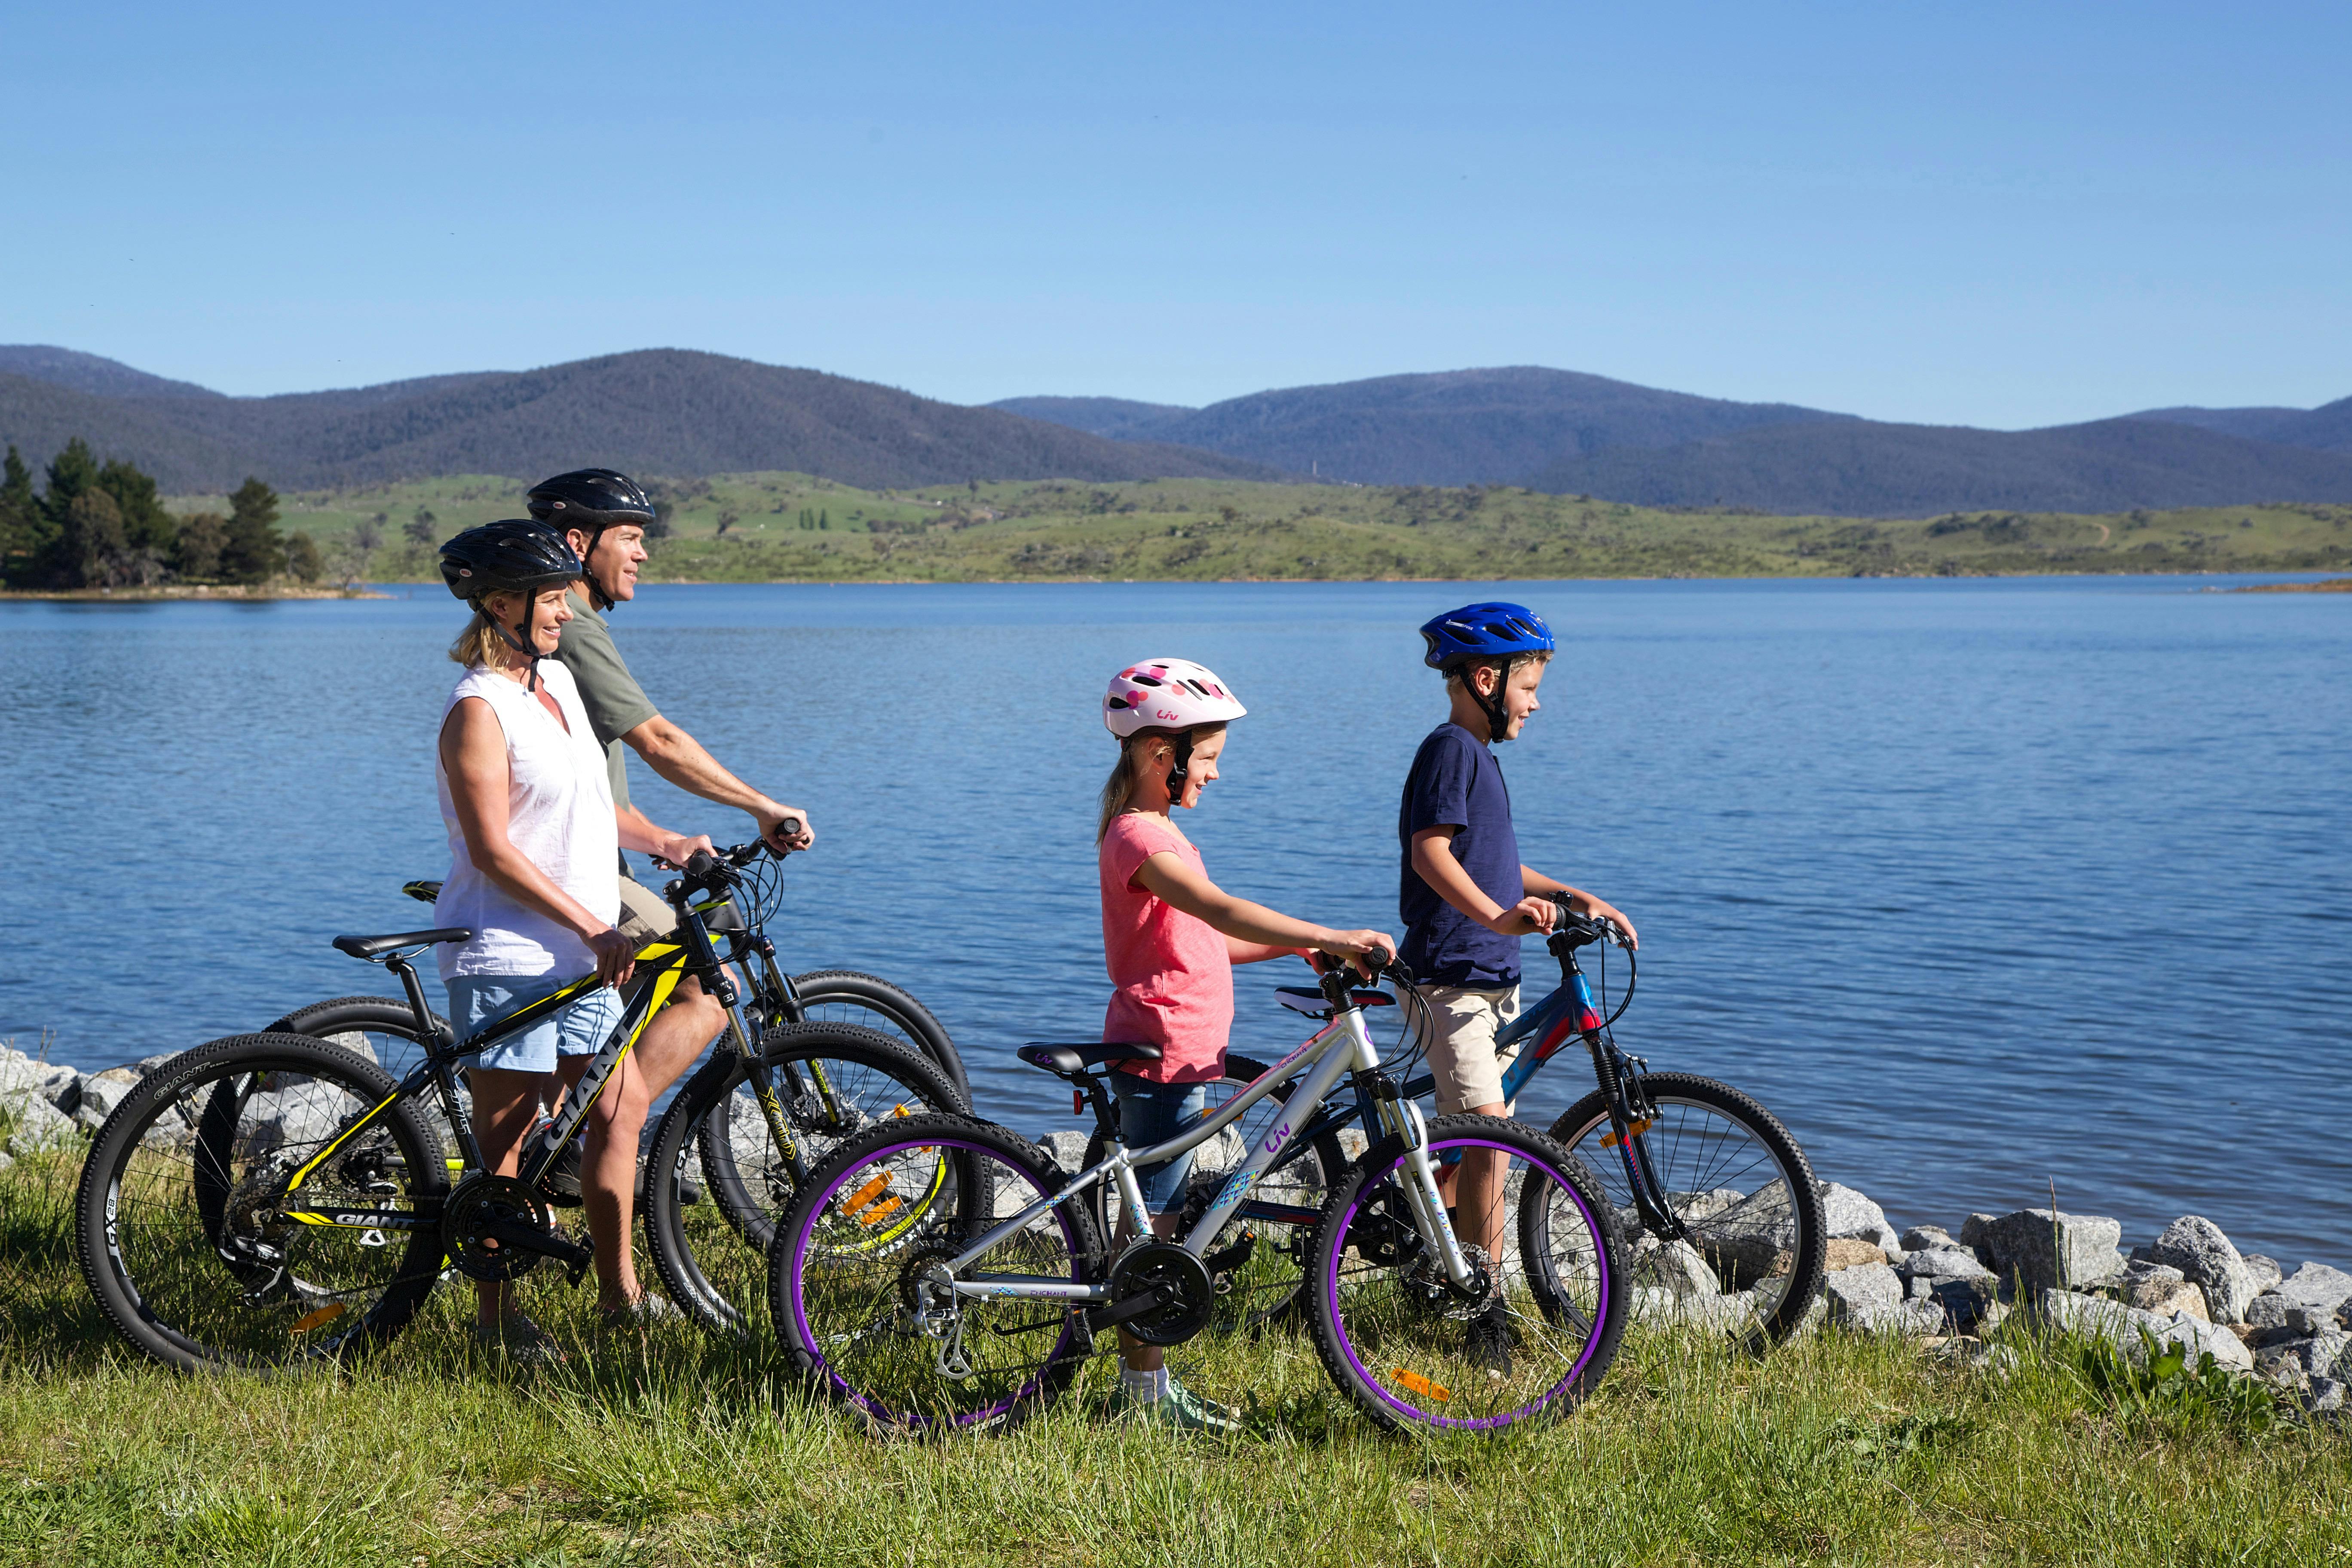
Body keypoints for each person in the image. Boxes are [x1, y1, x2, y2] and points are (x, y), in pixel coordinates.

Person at [432, 521, 716, 1353]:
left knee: (602, 1116)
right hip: (511, 954)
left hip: (586, 960)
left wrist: (668, 842)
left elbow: (596, 809)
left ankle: (618, 1298)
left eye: (564, 595)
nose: (563, 613)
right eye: (550, 599)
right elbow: (492, 849)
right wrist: (595, 924)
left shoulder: (553, 684)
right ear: (500, 604)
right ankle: (494, 1323)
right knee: (507, 1156)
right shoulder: (479, 708)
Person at [1096, 658, 1396, 1430]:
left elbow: (1207, 941)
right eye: (1210, 760)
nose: (1216, 777)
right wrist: (1325, 932)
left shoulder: (1162, 833)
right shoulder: (1139, 838)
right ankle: (1142, 1399)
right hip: (1160, 1051)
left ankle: (1150, 1390)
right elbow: (1220, 909)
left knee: (1160, 1223)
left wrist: (1297, 949)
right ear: (1161, 754)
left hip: (1183, 1050)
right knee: (1155, 1233)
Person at [522, 469, 815, 1199]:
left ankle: (571, 1132)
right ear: (578, 542)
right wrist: (759, 805)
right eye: (631, 538)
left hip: (592, 849)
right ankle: (600, 1138)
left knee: (645, 983)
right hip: (571, 867)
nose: (644, 554)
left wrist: (661, 836)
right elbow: (658, 740)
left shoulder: (570, 626)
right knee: (707, 995)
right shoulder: (578, 629)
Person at [1398, 602, 1638, 1374]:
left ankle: (1428, 1244)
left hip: (1488, 978)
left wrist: (1573, 897)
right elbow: (1431, 854)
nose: (1535, 702)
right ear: (1486, 677)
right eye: (1529, 686)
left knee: (1479, 1146)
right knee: (1492, 1142)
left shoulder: (1479, 757)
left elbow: (1496, 862)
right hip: (1451, 981)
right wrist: (1501, 919)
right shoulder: (1450, 750)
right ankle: (1485, 1316)